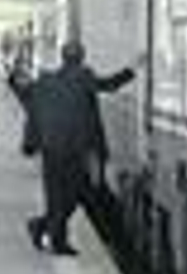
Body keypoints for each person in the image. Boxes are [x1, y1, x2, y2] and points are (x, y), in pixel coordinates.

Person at [26, 42, 136, 256]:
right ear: (82, 58)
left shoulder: (45, 82)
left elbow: (34, 115)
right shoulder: (84, 77)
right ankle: (49, 233)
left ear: (63, 58)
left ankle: (47, 231)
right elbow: (109, 85)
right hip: (75, 149)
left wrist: (30, 143)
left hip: (52, 148)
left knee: (56, 196)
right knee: (73, 195)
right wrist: (132, 70)